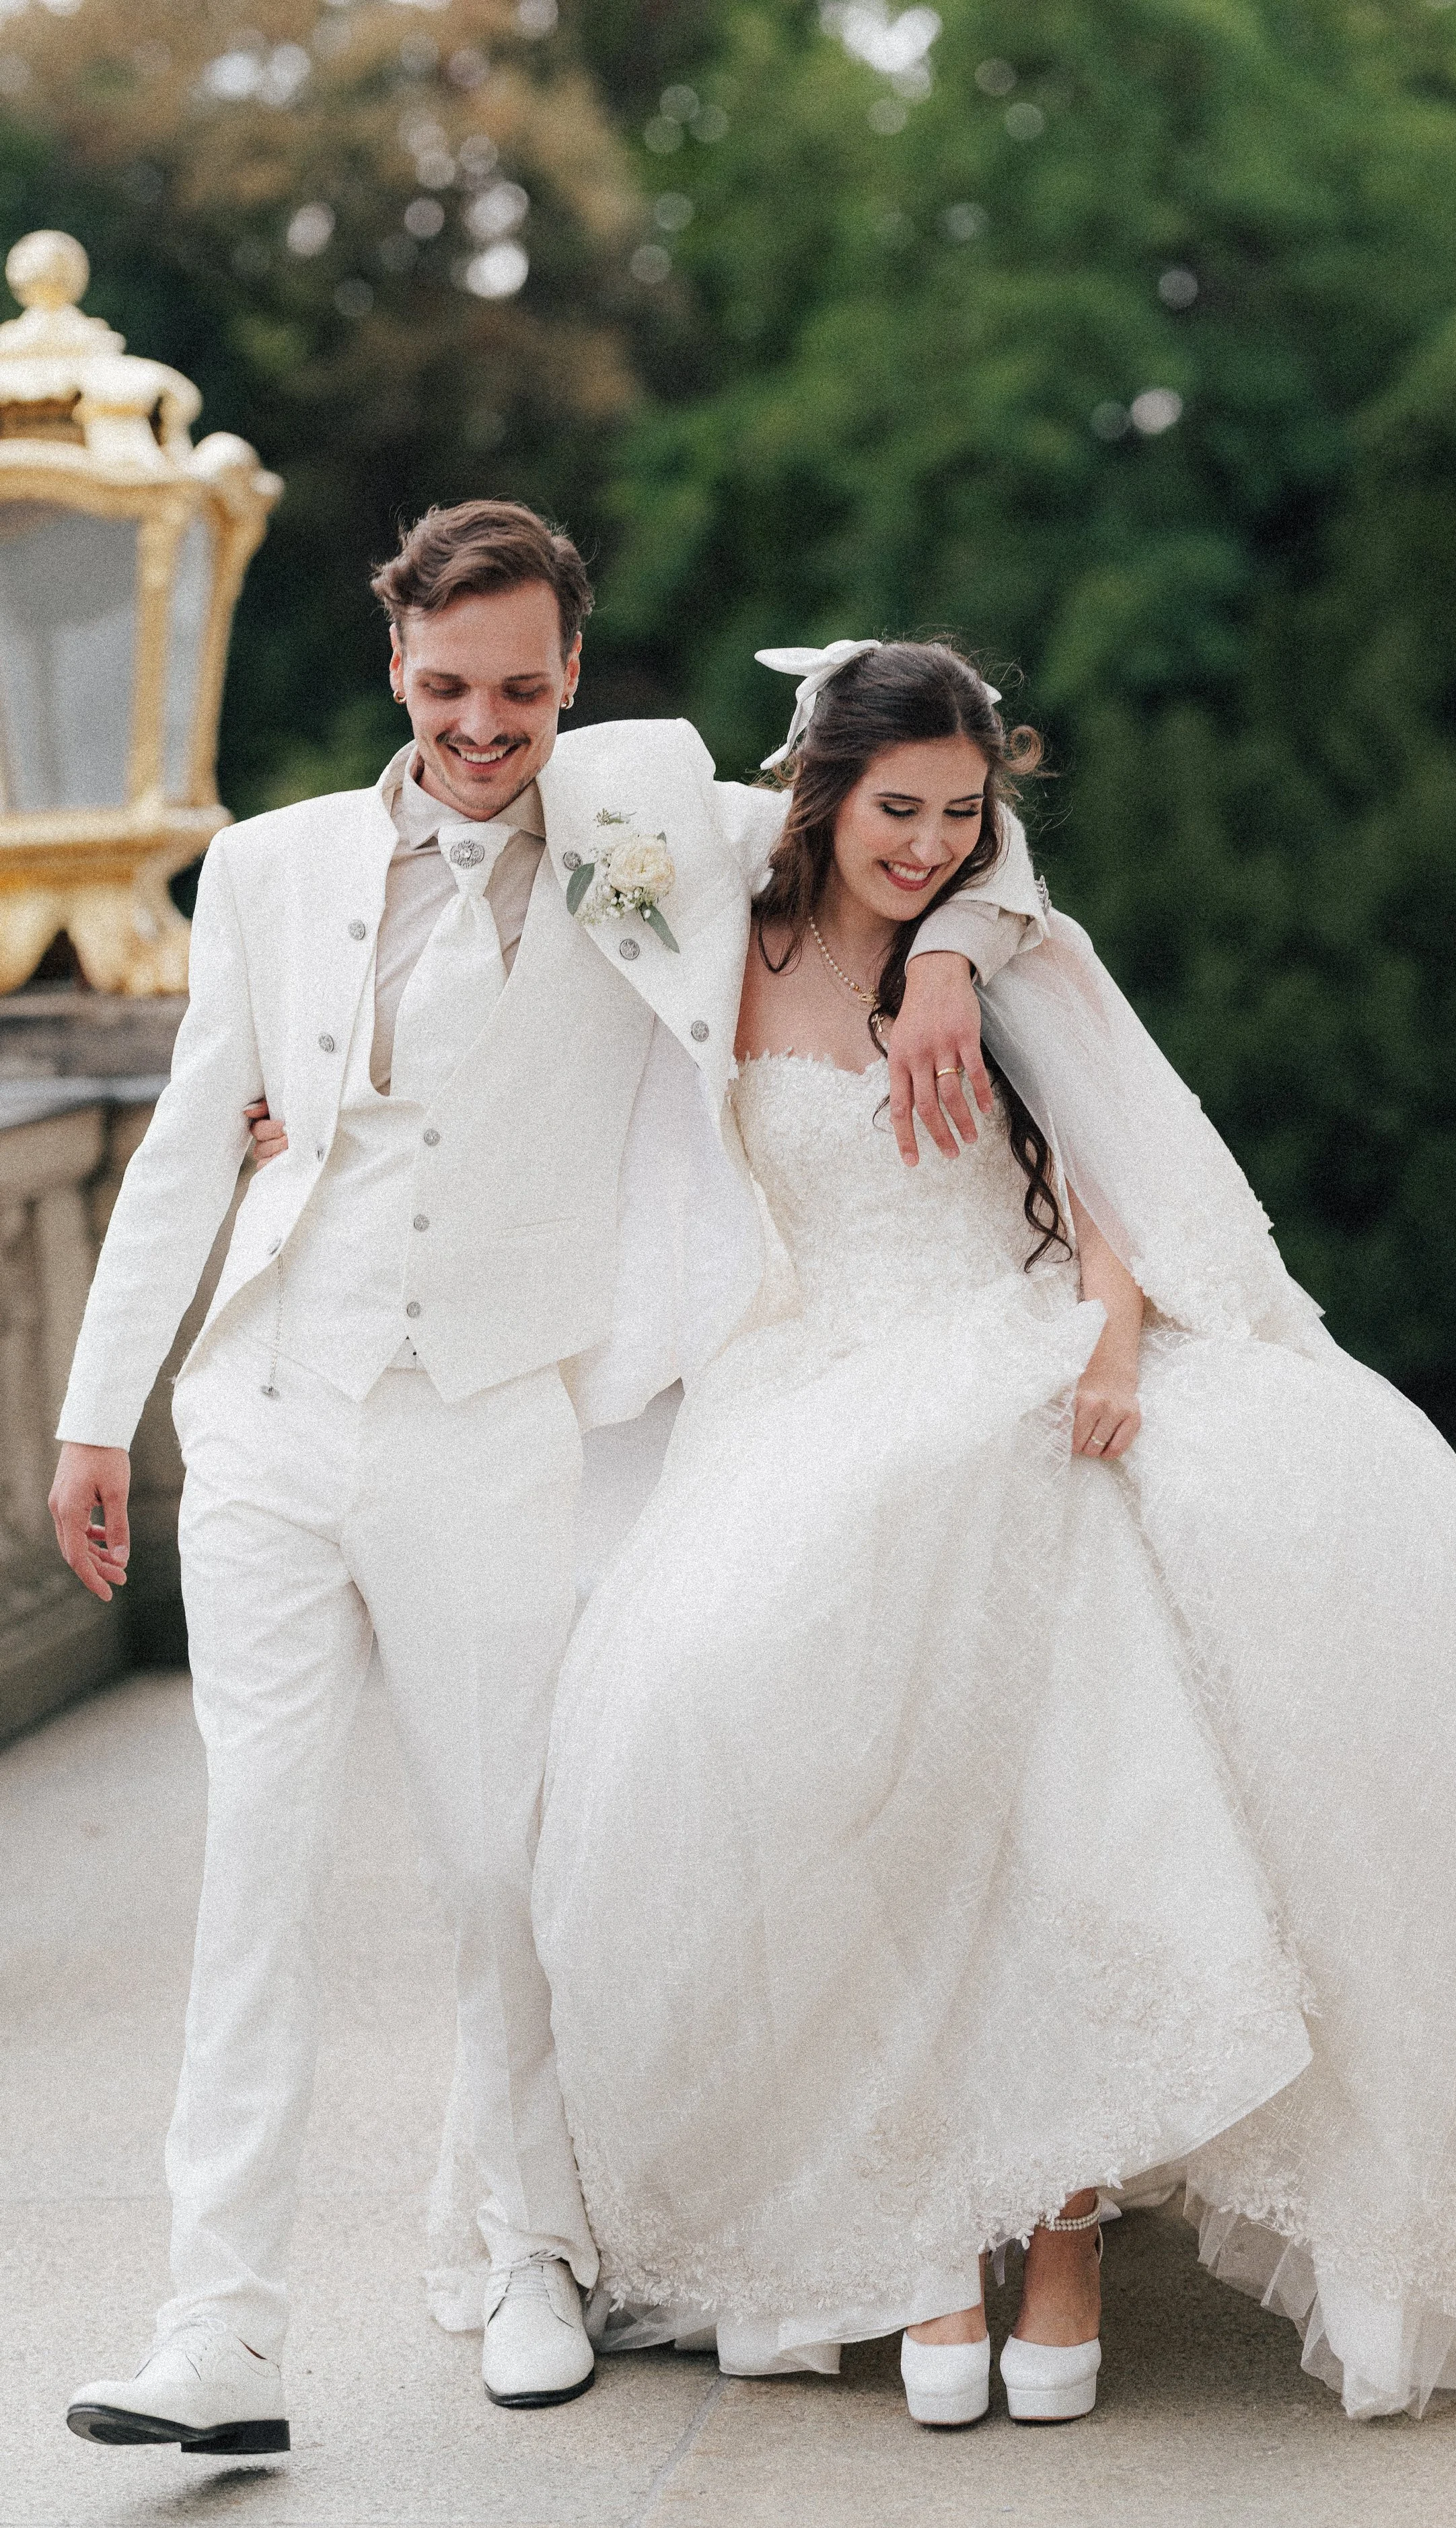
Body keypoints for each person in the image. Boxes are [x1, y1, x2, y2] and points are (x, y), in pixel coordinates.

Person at [527, 639, 1456, 2429]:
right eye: (890, 809)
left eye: (961, 817)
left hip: (1011, 1334)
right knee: (747, 1690)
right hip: (801, 1370)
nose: (920, 845)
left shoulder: (1000, 954)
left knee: (1072, 1661)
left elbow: (1113, 1179)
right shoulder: (713, 933)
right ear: (819, 792)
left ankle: (1056, 2218)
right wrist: (926, 892)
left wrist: (1108, 1310)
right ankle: (917, 2216)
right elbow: (595, 770)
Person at [45, 511, 1039, 2459]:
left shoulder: (649, 812)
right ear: (393, 674)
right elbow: (183, 1150)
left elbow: (912, 821)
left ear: (573, 673)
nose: (483, 721)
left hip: (487, 1412)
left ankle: (534, 2251)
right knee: (253, 1867)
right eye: (446, 687)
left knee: (500, 1857)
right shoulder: (270, 867)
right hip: (266, 1409)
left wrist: (958, 957)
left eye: (520, 685)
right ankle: (219, 2328)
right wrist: (98, 1416)